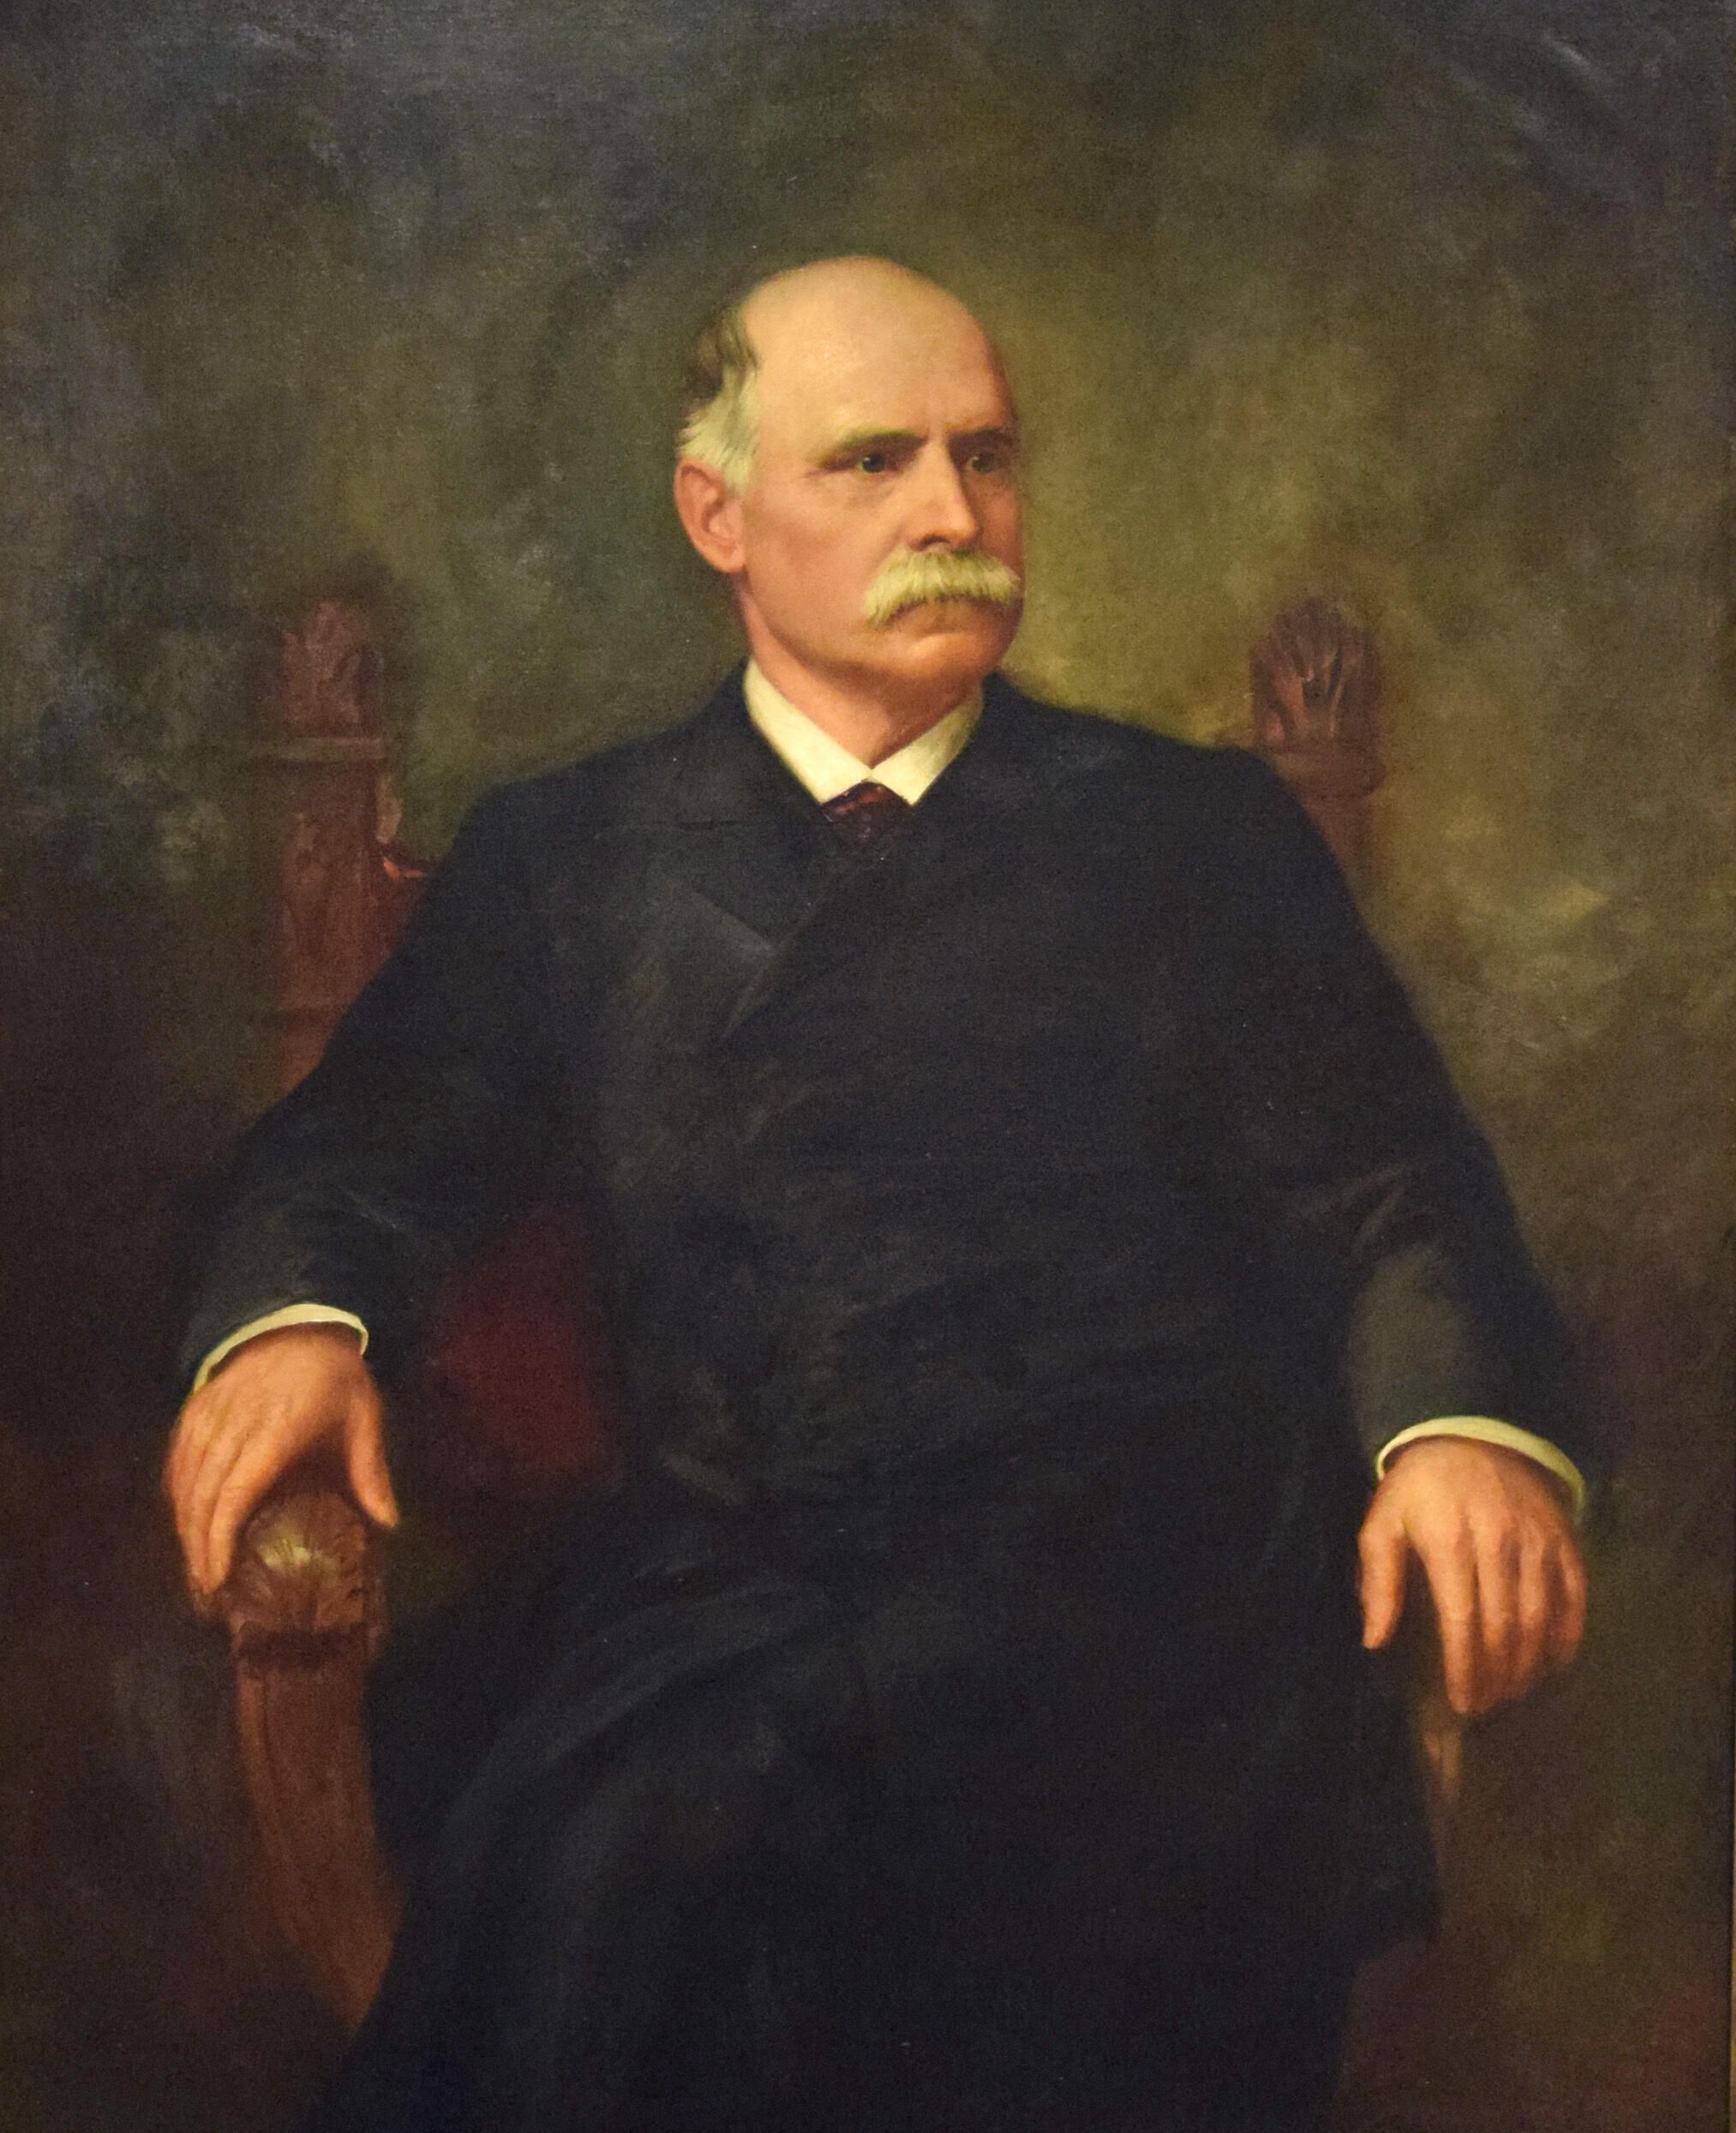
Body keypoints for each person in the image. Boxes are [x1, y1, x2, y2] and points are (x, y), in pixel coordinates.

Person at [165, 257, 1589, 2132]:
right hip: (734, 1583)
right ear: (716, 516)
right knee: (629, 1843)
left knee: (725, 1833)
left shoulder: (1195, 842)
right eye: (874, 462)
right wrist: (296, 1324)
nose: (953, 514)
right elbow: (360, 1150)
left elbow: (1391, 1188)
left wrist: (1454, 1426)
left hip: (1146, 1620)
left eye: (983, 457)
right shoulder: (569, 860)